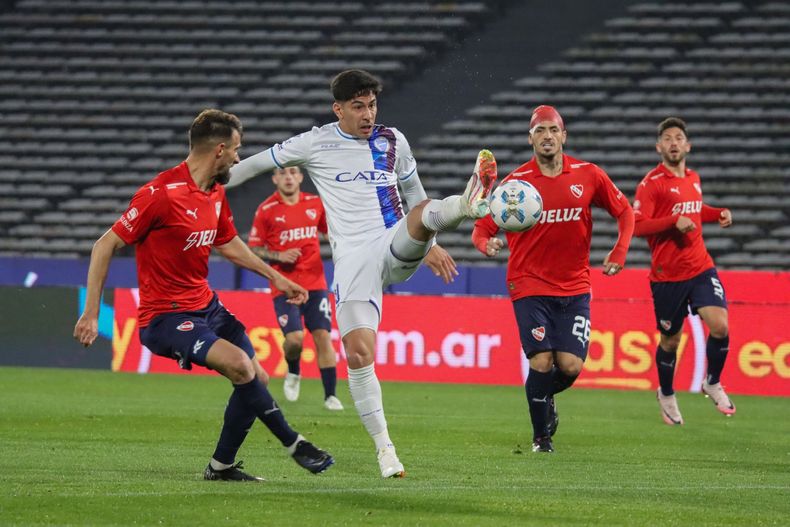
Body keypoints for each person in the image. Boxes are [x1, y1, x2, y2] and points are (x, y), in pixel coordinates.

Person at [226, 69, 498, 477]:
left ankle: (468, 202)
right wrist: (202, 183)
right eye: (358, 106)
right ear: (338, 108)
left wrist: (433, 245)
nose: (368, 114)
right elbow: (252, 165)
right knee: (358, 353)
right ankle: (386, 451)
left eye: (372, 105)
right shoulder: (315, 142)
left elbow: (415, 195)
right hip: (354, 261)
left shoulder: (394, 141)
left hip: (393, 242)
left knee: (424, 213)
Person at [73, 109, 334, 481]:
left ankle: (221, 466)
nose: (239, 159)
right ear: (220, 149)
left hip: (207, 307)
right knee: (242, 366)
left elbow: (229, 245)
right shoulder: (160, 194)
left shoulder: (214, 193)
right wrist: (90, 313)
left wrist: (279, 278)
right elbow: (104, 246)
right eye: (237, 150)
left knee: (255, 376)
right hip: (165, 317)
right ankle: (296, 445)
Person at [472, 105, 634, 453]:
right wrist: (487, 243)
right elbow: (482, 228)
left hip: (575, 286)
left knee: (571, 366)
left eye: (553, 130)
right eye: (540, 130)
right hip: (528, 283)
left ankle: (543, 399)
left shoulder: (588, 175)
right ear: (530, 138)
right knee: (541, 361)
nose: (547, 136)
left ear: (564, 135)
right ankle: (541, 438)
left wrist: (619, 251)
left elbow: (624, 211)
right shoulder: (516, 184)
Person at [634, 117, 735, 425]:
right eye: (667, 138)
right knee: (670, 342)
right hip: (668, 277)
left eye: (678, 137)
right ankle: (666, 393)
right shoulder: (651, 184)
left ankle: (712, 381)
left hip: (700, 267)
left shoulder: (693, 177)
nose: (673, 142)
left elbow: (694, 209)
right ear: (659, 147)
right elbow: (637, 225)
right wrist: (671, 221)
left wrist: (716, 214)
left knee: (720, 326)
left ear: (687, 145)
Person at [248, 166, 344, 411]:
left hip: (316, 283)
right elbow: (254, 248)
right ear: (275, 179)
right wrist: (278, 255)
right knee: (294, 340)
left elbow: (331, 232)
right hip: (285, 285)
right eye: (283, 173)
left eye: (293, 172)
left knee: (323, 336)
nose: (288, 177)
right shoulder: (265, 210)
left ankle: (331, 396)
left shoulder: (314, 203)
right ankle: (293, 370)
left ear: (301, 177)